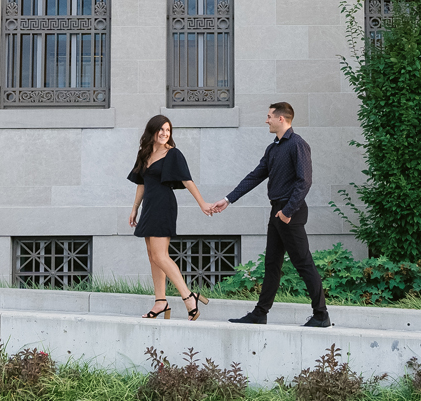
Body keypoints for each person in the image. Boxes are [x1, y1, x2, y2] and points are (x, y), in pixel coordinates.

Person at [210, 102, 331, 327]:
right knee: (272, 264)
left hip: (289, 212)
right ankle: (260, 313)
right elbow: (255, 176)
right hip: (277, 211)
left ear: (281, 119)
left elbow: (304, 181)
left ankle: (321, 315)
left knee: (303, 263)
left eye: (269, 116)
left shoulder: (298, 144)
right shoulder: (273, 148)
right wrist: (228, 199)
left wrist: (287, 211)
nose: (266, 120)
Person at [128, 114, 213, 321]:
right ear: (153, 131)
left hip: (163, 205)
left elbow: (187, 180)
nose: (165, 134)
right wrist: (134, 208)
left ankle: (188, 297)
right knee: (152, 255)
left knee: (160, 255)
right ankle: (160, 301)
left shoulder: (173, 154)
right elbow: (142, 182)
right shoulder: (145, 153)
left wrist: (202, 203)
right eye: (162, 130)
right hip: (149, 205)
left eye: (168, 130)